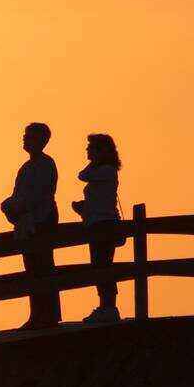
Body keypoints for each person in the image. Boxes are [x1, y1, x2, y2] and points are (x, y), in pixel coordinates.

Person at [0, 122, 60, 329]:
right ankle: (37, 314)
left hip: (42, 220)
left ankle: (48, 315)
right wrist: (10, 205)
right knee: (32, 268)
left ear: (42, 140)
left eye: (29, 136)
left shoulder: (45, 165)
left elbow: (37, 196)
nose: (24, 139)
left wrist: (14, 206)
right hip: (27, 222)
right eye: (25, 135)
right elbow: (20, 194)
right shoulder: (26, 168)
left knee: (43, 266)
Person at [71, 133, 122, 324]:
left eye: (91, 148)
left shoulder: (107, 170)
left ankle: (108, 307)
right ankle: (105, 307)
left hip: (104, 224)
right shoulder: (104, 171)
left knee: (103, 266)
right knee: (99, 265)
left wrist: (95, 161)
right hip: (97, 223)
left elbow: (82, 175)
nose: (87, 151)